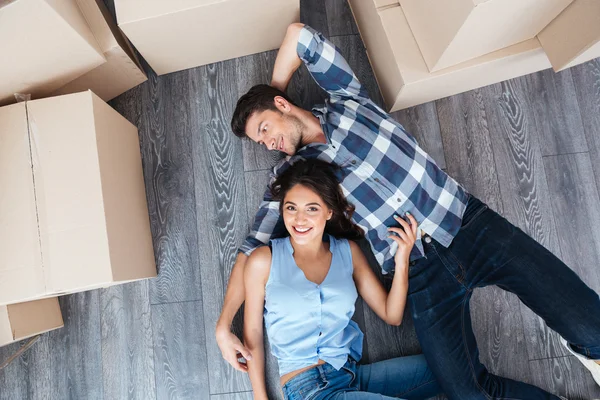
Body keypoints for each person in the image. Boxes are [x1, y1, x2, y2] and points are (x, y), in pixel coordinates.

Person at [216, 22, 600, 399]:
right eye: (260, 140)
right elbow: (251, 250)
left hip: (467, 225)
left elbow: (299, 36)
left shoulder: (349, 100)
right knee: (466, 392)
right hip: (417, 271)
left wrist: (274, 92)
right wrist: (223, 324)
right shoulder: (293, 176)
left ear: (282, 105)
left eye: (265, 128)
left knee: (590, 326)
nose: (268, 143)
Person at [243, 158, 441, 400]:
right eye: (291, 208)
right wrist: (260, 398)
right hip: (308, 389)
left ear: (329, 212)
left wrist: (402, 260)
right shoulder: (264, 260)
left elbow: (392, 314)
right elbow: (252, 331)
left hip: (350, 375)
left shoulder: (348, 252)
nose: (299, 219)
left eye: (312, 209)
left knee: (447, 368)